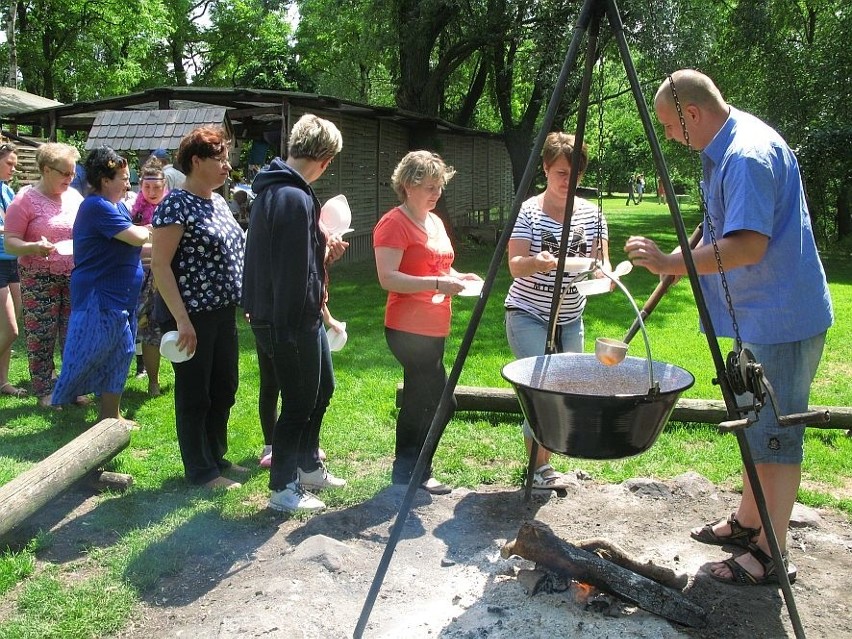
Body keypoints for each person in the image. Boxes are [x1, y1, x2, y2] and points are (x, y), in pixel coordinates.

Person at [625, 69, 833, 586]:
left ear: (692, 114)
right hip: (757, 313)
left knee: (777, 439)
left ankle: (769, 553)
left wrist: (670, 263)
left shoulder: (745, 156)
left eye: (672, 126)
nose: (673, 137)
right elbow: (722, 226)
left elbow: (748, 246)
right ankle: (747, 521)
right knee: (756, 426)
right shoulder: (728, 147)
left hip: (780, 318)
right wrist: (685, 251)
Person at [243, 113, 348, 513]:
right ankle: (283, 488)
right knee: (299, 402)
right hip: (286, 319)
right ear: (325, 158)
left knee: (322, 390)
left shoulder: (284, 190)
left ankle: (307, 466)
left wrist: (323, 256)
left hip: (297, 315)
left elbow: (294, 262)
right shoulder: (291, 196)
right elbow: (287, 274)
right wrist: (289, 329)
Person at [505, 132, 611, 490]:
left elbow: (600, 263)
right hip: (528, 312)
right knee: (541, 389)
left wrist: (605, 275)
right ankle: (538, 469)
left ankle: (547, 462)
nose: (568, 181)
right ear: (546, 169)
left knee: (568, 388)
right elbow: (515, 265)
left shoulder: (593, 214)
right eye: (561, 172)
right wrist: (538, 262)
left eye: (575, 174)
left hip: (570, 315)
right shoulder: (529, 211)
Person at [373, 150, 483, 495]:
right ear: (407, 185)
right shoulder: (394, 222)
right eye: (430, 186)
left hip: (435, 324)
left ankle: (409, 472)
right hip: (407, 328)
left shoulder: (433, 221)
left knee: (423, 398)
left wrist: (456, 276)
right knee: (439, 401)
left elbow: (436, 266)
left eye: (440, 186)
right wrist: (438, 284)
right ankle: (413, 471)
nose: (437, 193)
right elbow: (388, 278)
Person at [151, 127, 246, 490]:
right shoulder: (175, 204)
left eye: (227, 158)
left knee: (225, 387)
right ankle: (201, 471)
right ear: (195, 161)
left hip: (222, 313)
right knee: (195, 394)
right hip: (191, 316)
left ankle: (217, 457)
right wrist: (181, 320)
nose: (227, 166)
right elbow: (160, 266)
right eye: (219, 159)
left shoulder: (218, 202)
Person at [51, 147, 149, 419]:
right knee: (92, 350)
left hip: (121, 294)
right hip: (100, 294)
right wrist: (148, 230)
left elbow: (131, 245)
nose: (128, 183)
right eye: (124, 178)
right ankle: (57, 396)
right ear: (106, 180)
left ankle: (110, 415)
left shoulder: (116, 205)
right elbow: (136, 237)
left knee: (121, 353)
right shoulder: (95, 206)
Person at [4, 142, 85, 408]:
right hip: (38, 278)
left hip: (73, 276)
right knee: (42, 334)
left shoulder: (74, 197)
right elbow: (10, 242)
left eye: (72, 173)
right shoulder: (24, 199)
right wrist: (33, 248)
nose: (70, 179)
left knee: (73, 333)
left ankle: (74, 386)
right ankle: (45, 391)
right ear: (46, 170)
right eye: (64, 173)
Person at [131, 157, 168, 396]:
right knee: (144, 326)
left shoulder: (171, 207)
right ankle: (147, 376)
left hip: (165, 275)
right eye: (147, 187)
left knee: (163, 327)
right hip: (140, 275)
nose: (151, 192)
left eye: (156, 187)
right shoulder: (133, 211)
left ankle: (159, 381)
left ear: (164, 186)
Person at [0, 141, 26, 398]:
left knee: (7, 327)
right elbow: (11, 226)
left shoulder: (7, 191)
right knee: (10, 329)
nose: (13, 169)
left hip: (12, 260)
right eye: (9, 164)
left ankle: (2, 381)